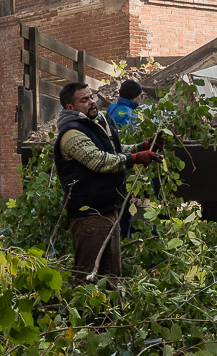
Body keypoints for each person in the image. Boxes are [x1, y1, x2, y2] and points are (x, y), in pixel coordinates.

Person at [53, 81, 160, 287]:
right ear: (70, 108)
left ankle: (110, 319)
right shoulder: (71, 133)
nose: (91, 102)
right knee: (88, 278)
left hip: (109, 208)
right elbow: (99, 161)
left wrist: (142, 146)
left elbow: (113, 151)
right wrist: (135, 158)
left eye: (91, 96)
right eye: (84, 100)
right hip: (89, 215)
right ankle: (86, 319)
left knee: (111, 277)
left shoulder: (97, 121)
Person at [105, 80, 146, 239]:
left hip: (113, 161)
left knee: (121, 205)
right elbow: (133, 140)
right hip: (126, 164)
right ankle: (122, 240)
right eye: (140, 96)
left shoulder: (112, 108)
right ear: (135, 97)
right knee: (125, 206)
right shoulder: (129, 115)